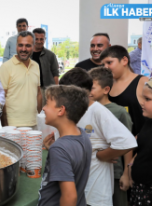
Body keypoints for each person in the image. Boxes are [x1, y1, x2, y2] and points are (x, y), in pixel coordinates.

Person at [59, 68, 137, 206]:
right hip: (77, 185)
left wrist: (103, 155)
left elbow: (127, 142)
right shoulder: (71, 111)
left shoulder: (99, 111)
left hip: (97, 190)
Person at [38, 85, 92, 206]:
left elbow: (70, 197)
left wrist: (56, 150)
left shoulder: (59, 149)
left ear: (61, 110)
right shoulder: (82, 136)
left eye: (47, 104)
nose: (44, 108)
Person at [89, 66, 133, 206]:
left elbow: (128, 145)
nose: (87, 91)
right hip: (94, 170)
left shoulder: (119, 112)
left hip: (115, 172)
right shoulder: (86, 110)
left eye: (92, 88)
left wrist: (126, 174)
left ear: (106, 89)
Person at [101, 45, 149, 137]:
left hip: (139, 145)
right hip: (114, 145)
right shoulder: (106, 86)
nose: (105, 67)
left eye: (109, 62)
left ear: (124, 60)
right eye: (103, 64)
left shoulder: (143, 82)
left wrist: (138, 139)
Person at [0, 31, 42, 128]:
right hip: (13, 125)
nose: (23, 49)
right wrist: (5, 125)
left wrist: (38, 117)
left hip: (34, 123)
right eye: (20, 45)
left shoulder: (36, 66)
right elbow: (1, 99)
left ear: (33, 46)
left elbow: (38, 93)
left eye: (28, 46)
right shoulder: (6, 67)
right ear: (16, 46)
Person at [128, 78, 152, 206]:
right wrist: (131, 164)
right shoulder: (148, 122)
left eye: (147, 99)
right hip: (140, 188)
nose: (142, 103)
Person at [32, 28, 59, 106]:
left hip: (46, 89)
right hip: (31, 89)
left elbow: (55, 74)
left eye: (42, 39)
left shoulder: (50, 55)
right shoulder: (28, 55)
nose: (39, 41)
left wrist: (56, 91)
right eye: (36, 39)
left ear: (45, 39)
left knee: (45, 113)